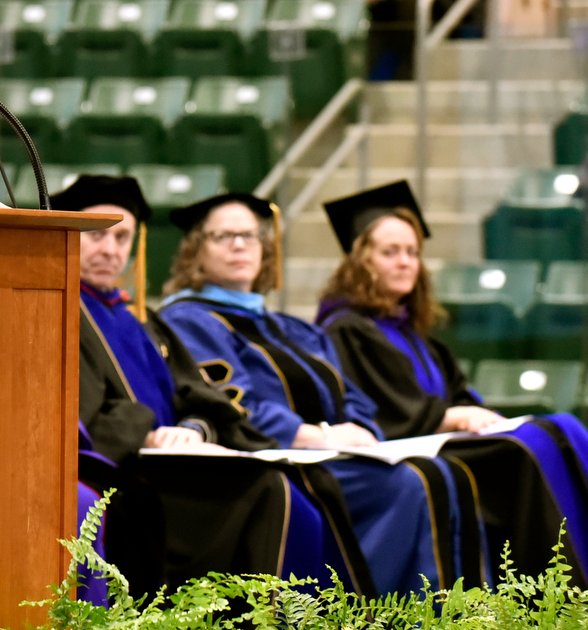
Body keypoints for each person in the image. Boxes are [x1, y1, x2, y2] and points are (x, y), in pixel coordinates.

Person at [314, 181, 588, 592]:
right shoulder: (344, 328)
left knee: (558, 427)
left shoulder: (412, 333)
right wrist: (450, 415)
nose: (406, 263)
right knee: (533, 443)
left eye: (413, 253)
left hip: (442, 443)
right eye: (390, 253)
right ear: (358, 261)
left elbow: (460, 394)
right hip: (409, 454)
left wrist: (466, 412)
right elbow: (386, 411)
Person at [52, 178, 367, 602]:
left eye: (122, 236)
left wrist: (196, 428)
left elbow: (199, 396)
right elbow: (77, 414)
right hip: (129, 474)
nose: (110, 250)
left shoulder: (142, 320)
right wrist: (147, 433)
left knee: (300, 484)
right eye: (96, 234)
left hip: (181, 463)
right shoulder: (58, 313)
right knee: (269, 492)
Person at [156, 193, 480, 595]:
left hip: (329, 456)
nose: (239, 245)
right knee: (408, 483)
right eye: (223, 236)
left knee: (441, 473)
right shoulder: (189, 321)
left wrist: (359, 431)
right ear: (195, 252)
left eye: (250, 236)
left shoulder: (292, 328)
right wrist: (316, 436)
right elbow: (230, 402)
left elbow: (355, 397)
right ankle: (372, 625)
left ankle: (446, 628)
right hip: (267, 461)